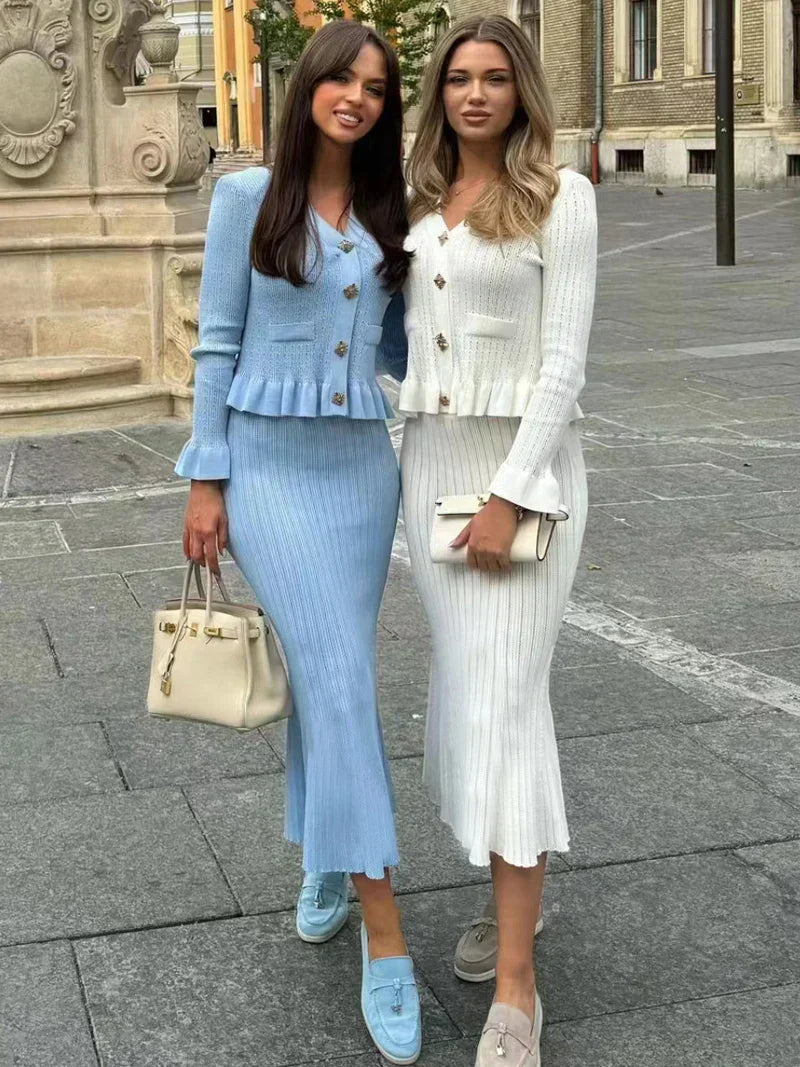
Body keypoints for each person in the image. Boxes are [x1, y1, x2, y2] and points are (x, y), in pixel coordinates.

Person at [177, 21, 421, 1065]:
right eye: (341, 79)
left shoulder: (389, 209)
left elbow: (405, 346)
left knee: (333, 677)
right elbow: (216, 342)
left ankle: (325, 852)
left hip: (361, 473)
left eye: (375, 86)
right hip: (267, 472)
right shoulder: (247, 196)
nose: (356, 97)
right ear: (308, 85)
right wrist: (205, 475)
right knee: (338, 678)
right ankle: (385, 932)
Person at [399, 16, 597, 1066]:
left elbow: (563, 364)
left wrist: (510, 496)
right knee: (470, 702)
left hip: (522, 478)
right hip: (428, 469)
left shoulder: (563, 198)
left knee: (510, 708)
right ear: (438, 94)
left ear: (522, 90)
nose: (474, 94)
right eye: (458, 79)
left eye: (494, 78)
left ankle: (517, 988)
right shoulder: (421, 200)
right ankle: (514, 895)